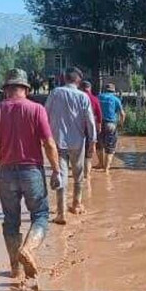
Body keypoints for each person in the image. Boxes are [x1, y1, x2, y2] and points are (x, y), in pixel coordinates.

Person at [0, 68, 62, 281]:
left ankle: (15, 270)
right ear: (25, 89)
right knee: (41, 215)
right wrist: (56, 170)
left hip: (5, 172)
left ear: (6, 90)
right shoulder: (36, 109)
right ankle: (28, 248)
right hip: (31, 171)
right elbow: (49, 143)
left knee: (10, 221)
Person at [45, 67, 97, 222]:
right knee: (78, 175)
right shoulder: (83, 96)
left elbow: (44, 114)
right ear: (78, 80)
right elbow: (90, 121)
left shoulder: (55, 93)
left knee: (61, 174)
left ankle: (61, 213)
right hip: (78, 142)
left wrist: (44, 137)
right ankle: (76, 204)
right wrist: (92, 141)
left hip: (58, 142)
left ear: (64, 78)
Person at [97, 83, 126, 172]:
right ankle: (106, 169)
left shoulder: (98, 97)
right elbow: (122, 114)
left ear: (104, 89)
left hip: (99, 123)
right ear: (113, 91)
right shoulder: (116, 99)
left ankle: (100, 164)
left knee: (99, 145)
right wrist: (121, 124)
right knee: (110, 147)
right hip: (111, 124)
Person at [81, 80, 103, 176]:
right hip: (90, 127)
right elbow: (99, 114)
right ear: (90, 88)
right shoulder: (94, 99)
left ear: (81, 88)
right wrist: (99, 127)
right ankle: (87, 176)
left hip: (78, 128)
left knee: (77, 151)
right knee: (88, 153)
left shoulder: (78, 98)